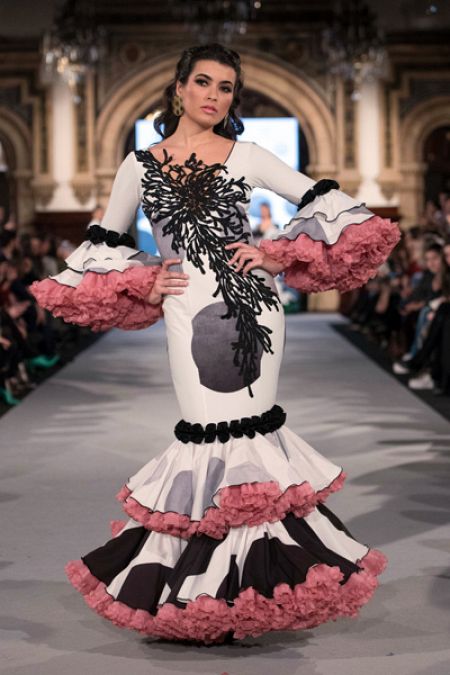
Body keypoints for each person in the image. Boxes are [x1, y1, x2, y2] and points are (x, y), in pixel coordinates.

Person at [30, 43, 401, 644]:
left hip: (252, 308)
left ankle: (241, 595)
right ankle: (213, 590)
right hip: (186, 309)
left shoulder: (249, 155)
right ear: (178, 87)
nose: (212, 95)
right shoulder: (139, 163)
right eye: (202, 82)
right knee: (205, 435)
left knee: (248, 439)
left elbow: (323, 201)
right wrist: (147, 278)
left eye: (225, 87)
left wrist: (275, 254)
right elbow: (104, 239)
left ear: (232, 97)